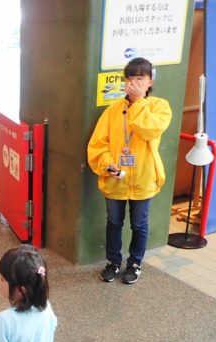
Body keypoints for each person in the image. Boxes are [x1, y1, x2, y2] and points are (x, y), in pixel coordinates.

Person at [87, 57, 172, 285]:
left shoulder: (159, 107)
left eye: (140, 78)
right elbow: (98, 143)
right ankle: (113, 262)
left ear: (150, 81)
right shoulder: (112, 111)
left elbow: (149, 129)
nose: (134, 82)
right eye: (130, 78)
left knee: (139, 224)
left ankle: (135, 263)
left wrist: (138, 102)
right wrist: (107, 163)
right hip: (116, 178)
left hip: (144, 178)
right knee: (113, 223)